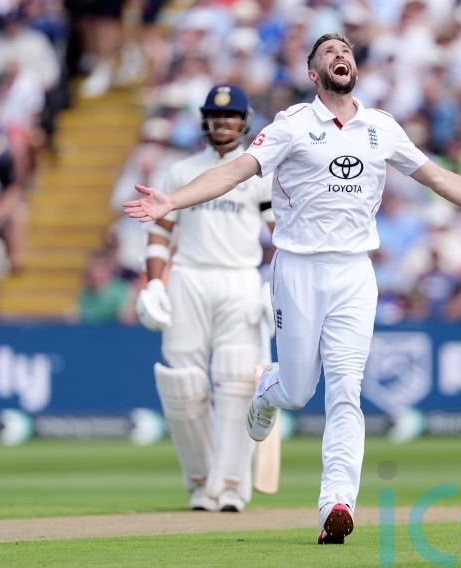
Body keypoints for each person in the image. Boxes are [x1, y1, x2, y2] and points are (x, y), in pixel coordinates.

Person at [123, 34, 461, 542]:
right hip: (298, 269)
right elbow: (236, 172)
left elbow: (440, 179)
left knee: (346, 389)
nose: (341, 56)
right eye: (329, 53)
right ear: (314, 74)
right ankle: (267, 391)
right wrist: (172, 202)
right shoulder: (292, 124)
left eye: (346, 51)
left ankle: (336, 502)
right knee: (297, 390)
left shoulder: (381, 127)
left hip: (355, 272)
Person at [133, 84, 274, 513]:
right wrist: (154, 284)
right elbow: (160, 233)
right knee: (181, 384)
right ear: (204, 120)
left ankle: (231, 485)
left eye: (230, 116)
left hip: (239, 279)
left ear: (244, 121)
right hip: (189, 277)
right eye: (215, 115)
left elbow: (282, 236)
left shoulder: (260, 173)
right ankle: (201, 481)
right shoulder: (181, 172)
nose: (222, 122)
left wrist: (276, 286)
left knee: (236, 380)